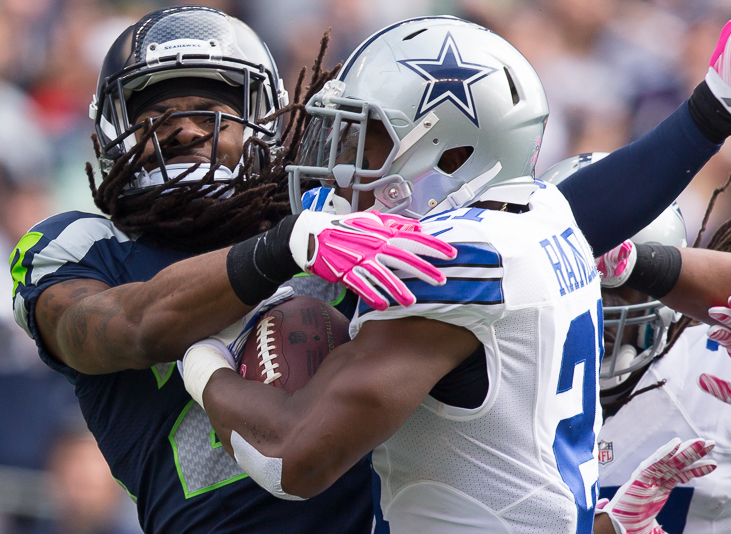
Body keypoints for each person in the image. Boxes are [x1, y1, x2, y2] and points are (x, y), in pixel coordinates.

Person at [180, 6, 731, 530]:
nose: (338, 163)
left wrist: (201, 363)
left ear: (447, 150)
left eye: (360, 139)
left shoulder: (455, 262)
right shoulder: (534, 222)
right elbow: (600, 204)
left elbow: (293, 462)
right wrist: (712, 110)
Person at [8, 6, 457, 533]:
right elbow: (132, 326)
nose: (183, 131)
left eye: (207, 110)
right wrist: (278, 250)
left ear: (263, 123)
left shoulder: (329, 220)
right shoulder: (80, 246)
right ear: (113, 132)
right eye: (155, 118)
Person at [541, 153, 731, 534]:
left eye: (614, 283)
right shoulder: (501, 384)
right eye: (581, 283)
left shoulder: (718, 374)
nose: (597, 305)